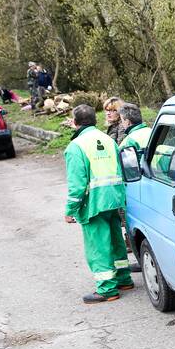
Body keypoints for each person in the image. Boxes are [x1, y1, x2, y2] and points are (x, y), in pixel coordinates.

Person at [64, 103, 134, 304]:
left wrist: (70, 210)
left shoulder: (76, 147)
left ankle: (107, 289)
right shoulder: (108, 140)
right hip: (115, 197)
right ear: (94, 120)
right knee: (115, 240)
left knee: (98, 246)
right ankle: (124, 278)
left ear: (75, 123)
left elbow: (77, 185)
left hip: (93, 202)